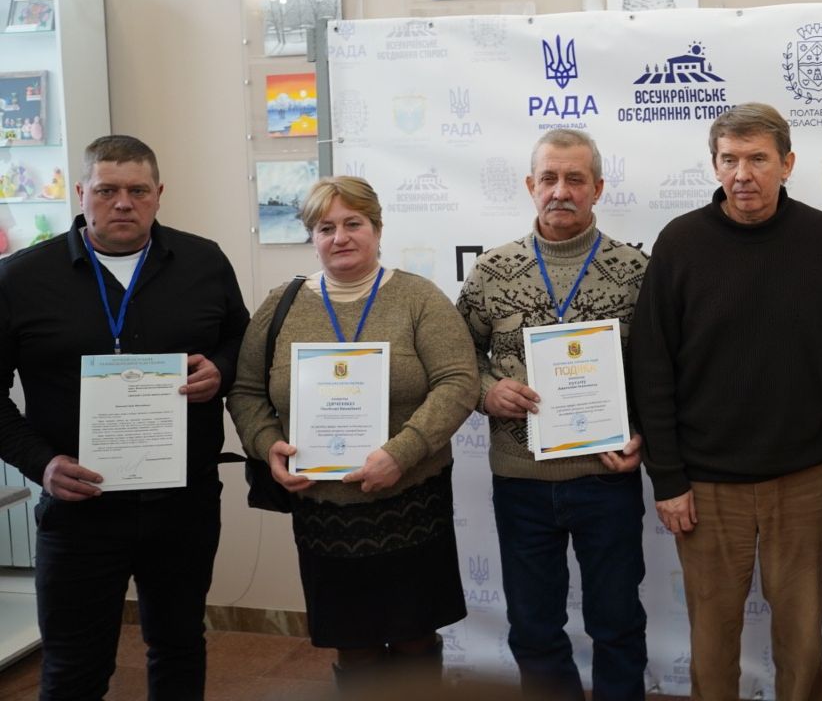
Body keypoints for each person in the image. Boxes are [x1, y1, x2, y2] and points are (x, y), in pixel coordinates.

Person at [0, 134, 249, 700]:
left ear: (159, 193)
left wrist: (222, 369)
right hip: (79, 509)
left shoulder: (204, 261)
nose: (122, 203)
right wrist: (42, 464)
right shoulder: (21, 278)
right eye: (106, 190)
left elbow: (242, 338)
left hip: (183, 504)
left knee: (179, 647)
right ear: (81, 192)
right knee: (73, 670)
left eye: (138, 190)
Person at [628, 102, 822, 701]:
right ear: (714, 165)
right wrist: (668, 478)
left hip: (802, 477)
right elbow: (652, 368)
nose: (742, 174)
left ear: (787, 163)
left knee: (802, 642)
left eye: (757, 159)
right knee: (712, 641)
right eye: (729, 159)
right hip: (705, 485)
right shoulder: (680, 243)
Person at [227, 176, 480, 689]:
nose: (340, 237)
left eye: (353, 223)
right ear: (313, 237)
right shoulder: (280, 306)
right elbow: (246, 390)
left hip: (410, 501)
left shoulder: (418, 298)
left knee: (414, 639)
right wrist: (267, 444)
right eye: (326, 228)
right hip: (325, 511)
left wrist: (402, 452)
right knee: (353, 643)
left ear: (377, 229)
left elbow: (459, 382)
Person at [456, 129, 649, 701]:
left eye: (575, 179)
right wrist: (488, 391)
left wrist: (642, 433)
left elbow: (658, 370)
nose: (560, 191)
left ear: (598, 188)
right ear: (529, 185)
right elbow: (458, 357)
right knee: (534, 628)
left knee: (617, 624)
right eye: (549, 178)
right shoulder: (492, 270)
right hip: (521, 482)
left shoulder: (637, 270)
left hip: (606, 477)